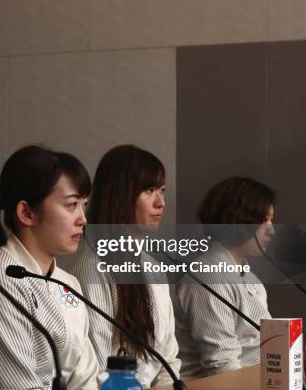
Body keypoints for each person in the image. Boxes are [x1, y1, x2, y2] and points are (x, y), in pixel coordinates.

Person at [0, 145, 100, 389]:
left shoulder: (68, 283)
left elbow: (86, 380)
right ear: (27, 213)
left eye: (84, 205)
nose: (83, 218)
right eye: (71, 205)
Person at [73, 144, 181, 388]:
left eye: (162, 191)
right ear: (120, 195)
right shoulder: (93, 267)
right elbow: (97, 370)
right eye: (149, 190)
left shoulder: (153, 267)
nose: (160, 202)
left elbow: (169, 360)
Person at [174, 176, 275, 380]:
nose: (272, 230)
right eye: (263, 220)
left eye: (272, 220)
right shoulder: (208, 277)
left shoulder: (250, 278)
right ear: (237, 220)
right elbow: (222, 365)